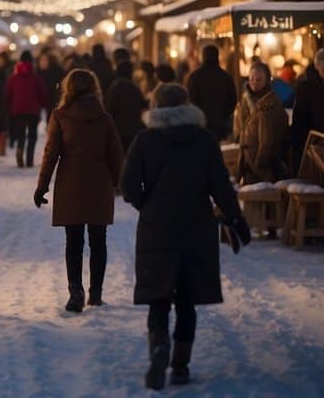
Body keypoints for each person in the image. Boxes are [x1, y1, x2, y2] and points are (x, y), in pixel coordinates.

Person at [121, 83, 251, 390]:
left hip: (157, 227)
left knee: (158, 296)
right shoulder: (205, 140)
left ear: (156, 107)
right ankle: (180, 364)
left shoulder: (144, 140)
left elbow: (127, 186)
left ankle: (158, 348)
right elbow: (221, 186)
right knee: (187, 298)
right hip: (196, 226)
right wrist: (235, 220)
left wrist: (147, 205)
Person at [34, 69, 124, 313]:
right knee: (99, 240)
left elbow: (51, 152)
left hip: (70, 184)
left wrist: (42, 186)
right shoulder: (104, 118)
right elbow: (115, 154)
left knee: (73, 241)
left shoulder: (60, 115)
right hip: (99, 183)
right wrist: (122, 183)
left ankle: (76, 290)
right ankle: (96, 293)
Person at [234, 61, 289, 185]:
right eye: (251, 78)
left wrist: (261, 160)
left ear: (266, 80)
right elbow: (241, 127)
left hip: (265, 164)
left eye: (258, 79)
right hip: (246, 159)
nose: (254, 82)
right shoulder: (245, 100)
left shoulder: (272, 103)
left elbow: (272, 136)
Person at [185, 44, 238, 142]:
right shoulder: (226, 77)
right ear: (217, 56)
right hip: (220, 124)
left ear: (203, 56)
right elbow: (233, 101)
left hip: (200, 124)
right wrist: (224, 116)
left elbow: (190, 100)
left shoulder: (194, 77)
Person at [5, 50, 48, 169]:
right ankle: (29, 159)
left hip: (17, 111)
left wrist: (9, 108)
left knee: (21, 135)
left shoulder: (13, 78)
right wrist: (44, 105)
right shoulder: (36, 77)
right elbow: (42, 94)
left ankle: (19, 149)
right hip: (33, 110)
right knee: (32, 135)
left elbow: (8, 95)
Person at [105, 60, 147, 154]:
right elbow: (142, 105)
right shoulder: (133, 87)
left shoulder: (115, 87)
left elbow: (110, 108)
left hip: (119, 130)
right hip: (133, 130)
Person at [37, 51, 65, 126]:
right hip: (43, 102)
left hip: (53, 101)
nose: (41, 62)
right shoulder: (38, 73)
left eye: (44, 60)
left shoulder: (56, 72)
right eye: (40, 60)